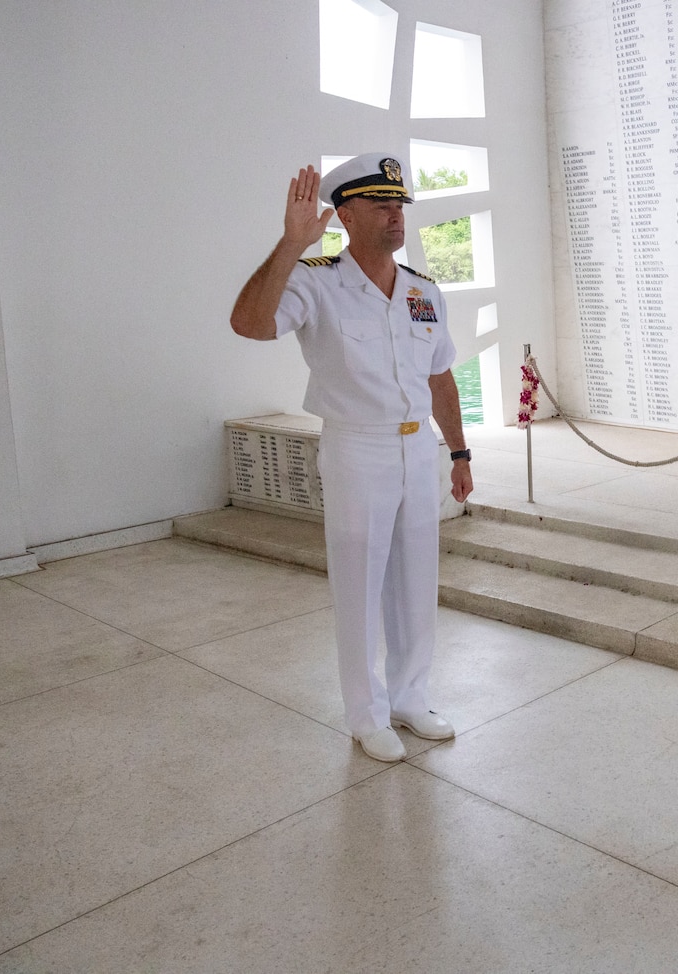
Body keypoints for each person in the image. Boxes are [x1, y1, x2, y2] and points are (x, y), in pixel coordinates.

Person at [230, 153, 473, 763]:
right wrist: (289, 244)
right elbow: (250, 324)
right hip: (357, 446)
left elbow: (440, 376)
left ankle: (411, 698)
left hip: (420, 448)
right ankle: (366, 714)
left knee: (417, 578)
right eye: (382, 204)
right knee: (361, 579)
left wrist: (460, 451)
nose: (397, 215)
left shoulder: (423, 291)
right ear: (345, 213)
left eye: (400, 205)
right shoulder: (314, 281)